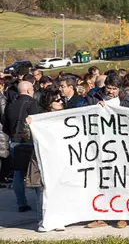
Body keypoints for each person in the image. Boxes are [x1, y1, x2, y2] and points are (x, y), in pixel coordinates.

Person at [24, 86, 66, 232]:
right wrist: (28, 125)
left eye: (61, 99)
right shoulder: (40, 119)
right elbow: (28, 137)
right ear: (49, 104)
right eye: (57, 100)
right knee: (43, 190)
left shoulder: (67, 116)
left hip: (61, 159)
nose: (61, 102)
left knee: (59, 188)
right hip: (44, 160)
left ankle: (59, 218)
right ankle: (45, 219)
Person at [2, 81, 38, 213]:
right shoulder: (33, 103)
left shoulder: (11, 105)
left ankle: (21, 203)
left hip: (14, 141)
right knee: (35, 172)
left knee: (18, 174)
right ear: (29, 90)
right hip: (29, 141)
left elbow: (4, 124)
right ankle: (39, 200)